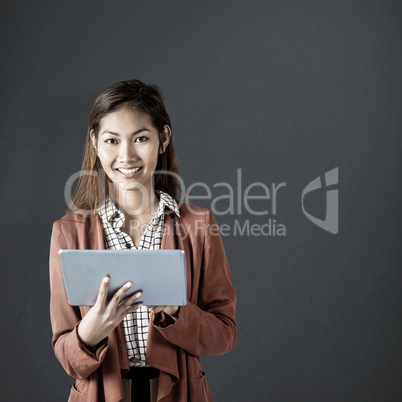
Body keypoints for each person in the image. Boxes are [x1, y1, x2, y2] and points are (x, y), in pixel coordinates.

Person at [49, 79, 237, 402]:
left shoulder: (199, 226)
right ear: (95, 143)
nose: (126, 155)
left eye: (140, 138)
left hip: (181, 394)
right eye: (111, 140)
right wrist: (89, 332)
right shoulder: (68, 232)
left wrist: (177, 312)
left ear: (163, 139)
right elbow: (66, 353)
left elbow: (224, 334)